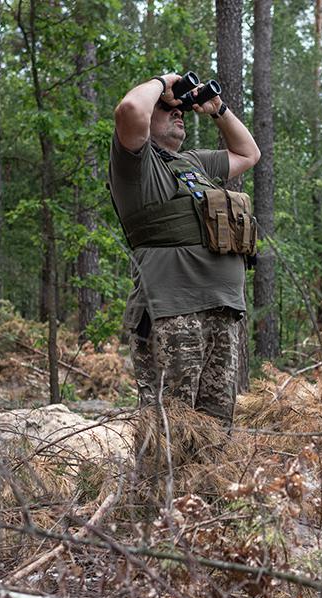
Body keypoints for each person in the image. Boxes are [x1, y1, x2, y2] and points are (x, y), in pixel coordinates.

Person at [109, 73, 261, 428]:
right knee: (169, 433)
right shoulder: (136, 164)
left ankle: (206, 488)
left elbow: (248, 153)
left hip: (223, 311)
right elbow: (130, 108)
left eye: (180, 110)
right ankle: (157, 488)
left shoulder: (194, 163)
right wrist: (162, 83)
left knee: (213, 432)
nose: (178, 113)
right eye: (166, 108)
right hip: (171, 313)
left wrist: (216, 108)